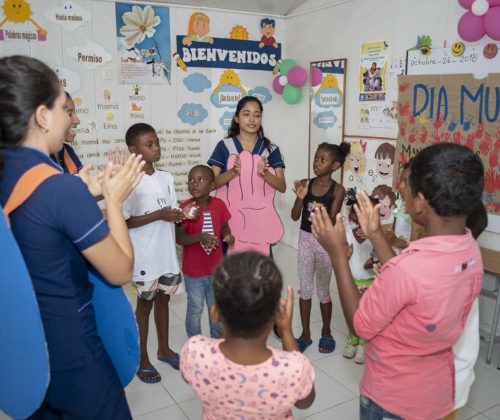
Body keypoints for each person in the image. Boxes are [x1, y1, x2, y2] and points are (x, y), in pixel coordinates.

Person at [0, 55, 145, 418]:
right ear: (42, 115)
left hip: (27, 350)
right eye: (65, 107)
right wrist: (113, 200)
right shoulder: (60, 189)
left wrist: (82, 192)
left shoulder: (12, 172)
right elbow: (120, 270)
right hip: (74, 350)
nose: (72, 118)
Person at [311, 143, 484, 419]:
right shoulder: (469, 251)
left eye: (407, 186)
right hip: (435, 393)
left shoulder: (408, 269)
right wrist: (377, 236)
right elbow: (416, 284)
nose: (402, 190)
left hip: (391, 400)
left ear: (419, 202)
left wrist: (338, 257)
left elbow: (360, 323)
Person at [180, 251, 316, 419]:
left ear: (215, 313)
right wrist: (286, 332)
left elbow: (188, 377)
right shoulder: (294, 368)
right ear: (276, 316)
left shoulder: (195, 353)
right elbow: (305, 402)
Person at [123, 123, 189, 383]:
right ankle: (142, 357)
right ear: (133, 150)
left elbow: (170, 210)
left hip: (166, 255)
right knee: (145, 305)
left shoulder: (167, 177)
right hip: (144, 257)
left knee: (164, 300)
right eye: (149, 145)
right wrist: (160, 215)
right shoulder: (130, 182)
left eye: (157, 142)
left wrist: (178, 215)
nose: (156, 148)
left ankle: (163, 349)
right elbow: (126, 221)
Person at [290, 142, 350, 353]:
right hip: (305, 239)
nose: (316, 162)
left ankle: (326, 332)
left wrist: (322, 212)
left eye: (322, 160)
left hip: (325, 242)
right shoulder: (307, 183)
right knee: (305, 288)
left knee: (323, 290)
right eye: (316, 158)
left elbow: (332, 221)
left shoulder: (338, 190)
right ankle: (305, 334)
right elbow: (295, 215)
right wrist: (300, 197)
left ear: (335, 165)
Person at [208, 96, 286, 256]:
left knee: (260, 273)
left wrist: (264, 174)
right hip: (231, 222)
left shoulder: (271, 149)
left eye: (257, 115)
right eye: (246, 114)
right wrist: (232, 173)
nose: (252, 119)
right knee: (231, 273)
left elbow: (282, 186)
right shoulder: (224, 146)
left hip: (260, 221)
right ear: (237, 118)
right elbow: (212, 184)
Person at [176, 164, 234, 339]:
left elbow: (224, 225)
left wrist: (228, 235)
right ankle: (195, 340)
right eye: (191, 180)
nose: (194, 183)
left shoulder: (219, 205)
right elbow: (180, 239)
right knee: (195, 307)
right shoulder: (185, 208)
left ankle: (216, 340)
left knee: (215, 307)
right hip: (193, 272)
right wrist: (200, 237)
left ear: (211, 186)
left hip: (216, 270)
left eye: (200, 180)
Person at [343, 189, 376, 364]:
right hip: (353, 280)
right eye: (358, 213)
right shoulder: (349, 233)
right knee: (354, 312)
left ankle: (364, 344)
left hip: (370, 281)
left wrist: (373, 260)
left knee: (366, 314)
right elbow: (344, 255)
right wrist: (346, 254)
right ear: (354, 215)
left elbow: (379, 255)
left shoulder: (375, 235)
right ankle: (352, 340)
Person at [50, 92, 83, 174]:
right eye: (70, 114)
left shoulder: (67, 150)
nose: (77, 121)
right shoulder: (33, 160)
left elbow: (83, 182)